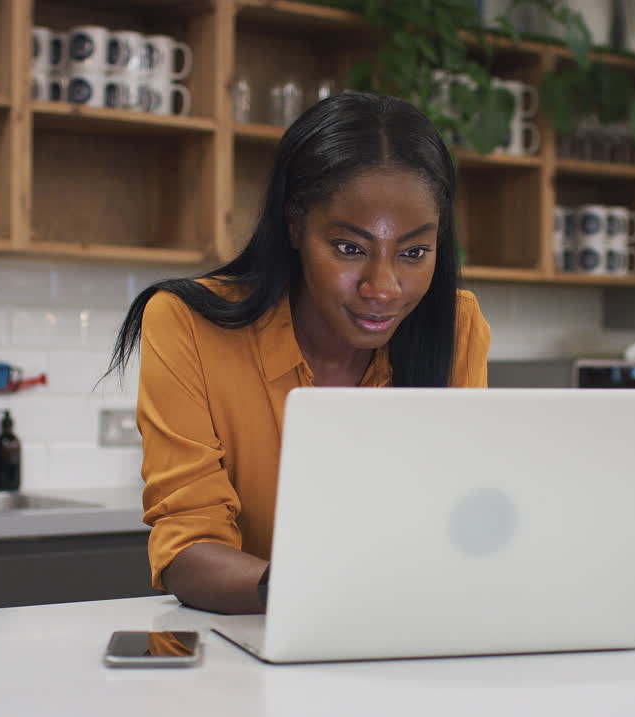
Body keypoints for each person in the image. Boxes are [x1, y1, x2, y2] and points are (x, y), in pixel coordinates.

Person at [107, 92, 491, 615]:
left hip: (409, 642)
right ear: (295, 226)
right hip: (246, 653)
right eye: (350, 248)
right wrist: (309, 593)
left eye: (414, 252)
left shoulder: (457, 326)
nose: (383, 287)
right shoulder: (186, 322)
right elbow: (188, 547)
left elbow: (464, 522)